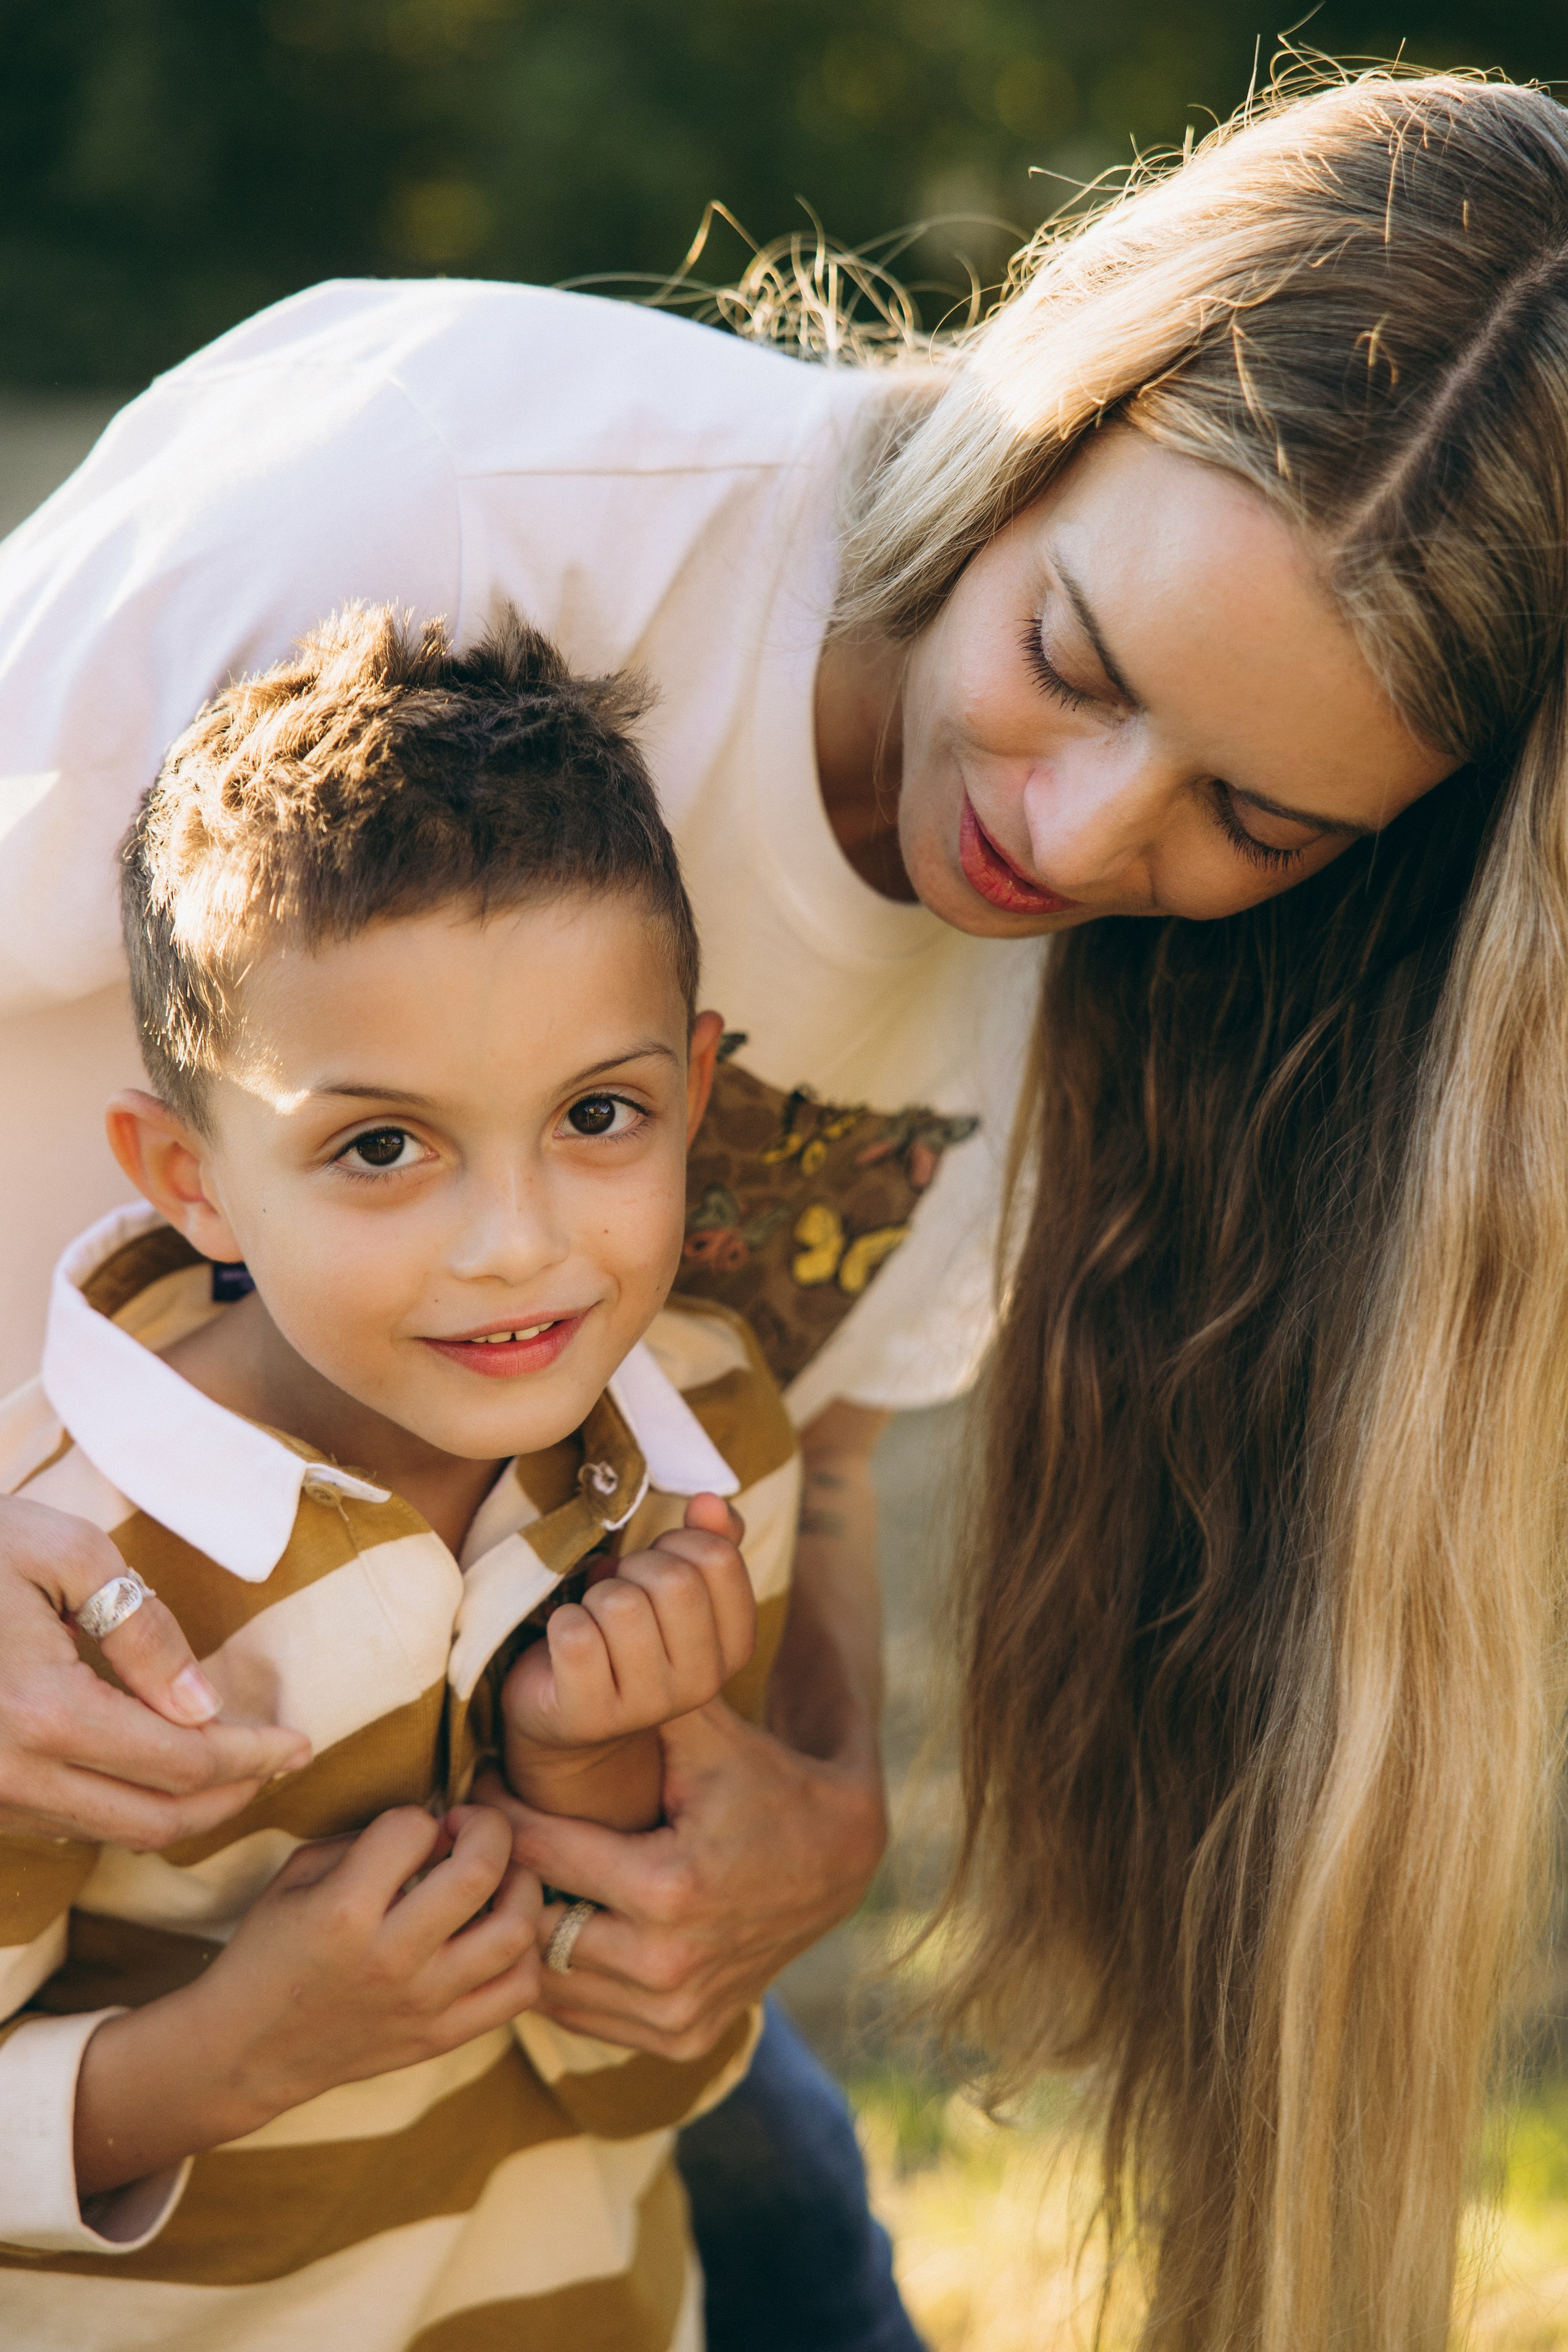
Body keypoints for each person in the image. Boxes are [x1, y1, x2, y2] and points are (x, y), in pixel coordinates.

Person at [3, 55, 1567, 2352]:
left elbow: (807, 1441)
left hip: (454, 1948)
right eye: (1073, 661)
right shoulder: (440, 490)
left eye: (1258, 820)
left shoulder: (1163, 989)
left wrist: (813, 1797)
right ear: (1059, 405)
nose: (1079, 836)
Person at [0, 604, 802, 2348]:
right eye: (380, 1146)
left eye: (601, 1116)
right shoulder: (59, 1582)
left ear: (700, 1090)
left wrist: (583, 1778)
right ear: (189, 1182)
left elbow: (651, 2065)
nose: (518, 1250)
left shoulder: (711, 1444)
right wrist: (215, 2064)